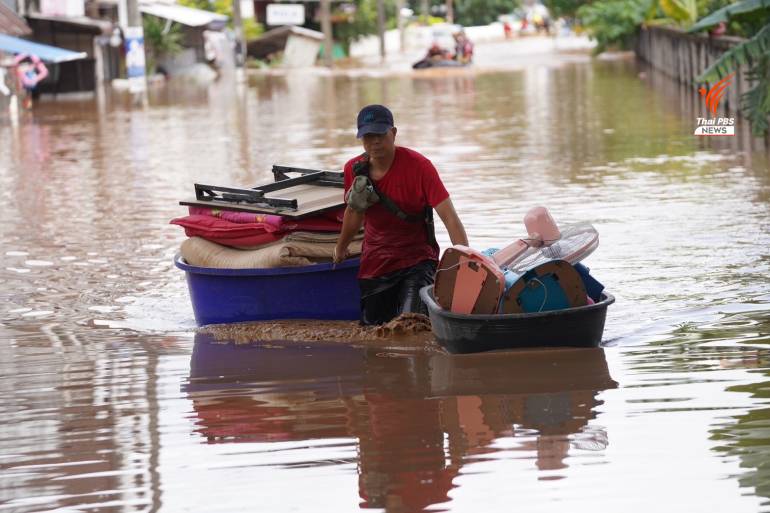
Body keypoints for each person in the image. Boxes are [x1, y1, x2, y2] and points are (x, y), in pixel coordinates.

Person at [334, 105, 468, 325]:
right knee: (373, 332)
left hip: (417, 261)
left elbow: (450, 218)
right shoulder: (354, 169)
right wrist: (340, 249)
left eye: (380, 134)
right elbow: (354, 213)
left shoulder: (420, 167)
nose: (375, 142)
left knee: (411, 325)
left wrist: (466, 263)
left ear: (393, 133)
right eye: (368, 136)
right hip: (375, 264)